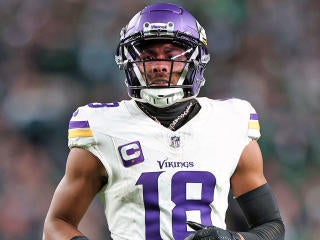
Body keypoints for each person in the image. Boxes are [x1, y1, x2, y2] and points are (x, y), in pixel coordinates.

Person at [43, 3, 285, 240]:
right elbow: (57, 224)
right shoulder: (103, 126)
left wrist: (233, 239)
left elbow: (271, 227)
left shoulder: (231, 122)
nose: (160, 65)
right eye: (148, 56)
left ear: (196, 60)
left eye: (172, 55)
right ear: (130, 63)